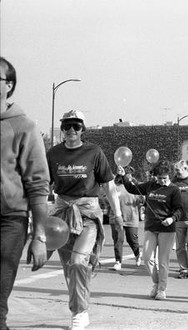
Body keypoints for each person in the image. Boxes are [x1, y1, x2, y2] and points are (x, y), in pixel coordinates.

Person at [46, 109, 123, 330]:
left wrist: (117, 214)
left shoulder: (94, 152)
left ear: (83, 130)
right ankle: (80, 307)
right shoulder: (53, 154)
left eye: (76, 126)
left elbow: (108, 185)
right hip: (62, 215)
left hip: (88, 214)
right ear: (62, 129)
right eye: (67, 125)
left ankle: (79, 312)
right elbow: (43, 185)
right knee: (70, 267)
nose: (71, 130)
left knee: (79, 261)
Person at [0, 57, 50, 330]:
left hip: (9, 220)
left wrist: (39, 237)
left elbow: (38, 185)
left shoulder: (24, 127)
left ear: (8, 86)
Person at [117, 160, 182, 300]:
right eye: (159, 178)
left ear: (169, 176)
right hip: (151, 227)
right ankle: (156, 282)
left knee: (163, 261)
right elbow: (133, 188)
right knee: (147, 258)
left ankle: (162, 289)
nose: (162, 180)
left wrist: (171, 219)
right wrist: (123, 177)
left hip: (167, 229)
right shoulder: (151, 186)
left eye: (164, 178)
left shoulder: (174, 190)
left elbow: (179, 209)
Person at [110, 174, 143, 271]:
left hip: (131, 217)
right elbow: (107, 199)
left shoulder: (133, 186)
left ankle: (137, 255)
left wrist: (139, 200)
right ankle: (118, 262)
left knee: (132, 239)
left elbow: (140, 200)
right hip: (116, 218)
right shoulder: (114, 187)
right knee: (118, 240)